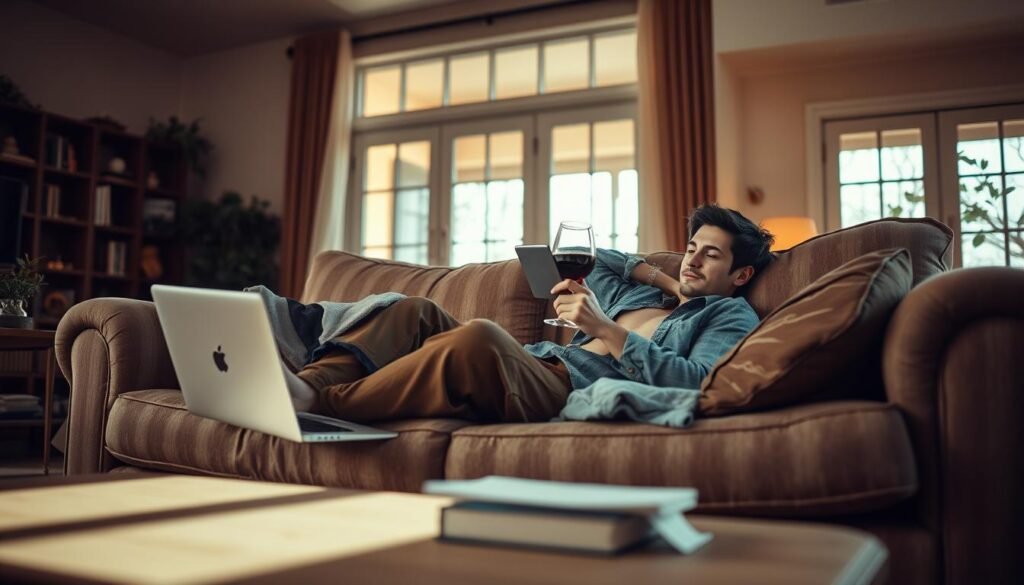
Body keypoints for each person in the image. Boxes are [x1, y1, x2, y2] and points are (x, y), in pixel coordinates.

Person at [285, 204, 774, 424]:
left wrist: (602, 327)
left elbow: (695, 383)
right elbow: (595, 256)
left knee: (479, 339)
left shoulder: (729, 316)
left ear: (740, 275)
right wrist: (671, 282)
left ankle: (323, 408)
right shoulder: (648, 299)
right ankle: (307, 384)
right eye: (691, 247)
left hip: (565, 386)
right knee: (413, 311)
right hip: (534, 360)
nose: (692, 258)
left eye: (711, 254)